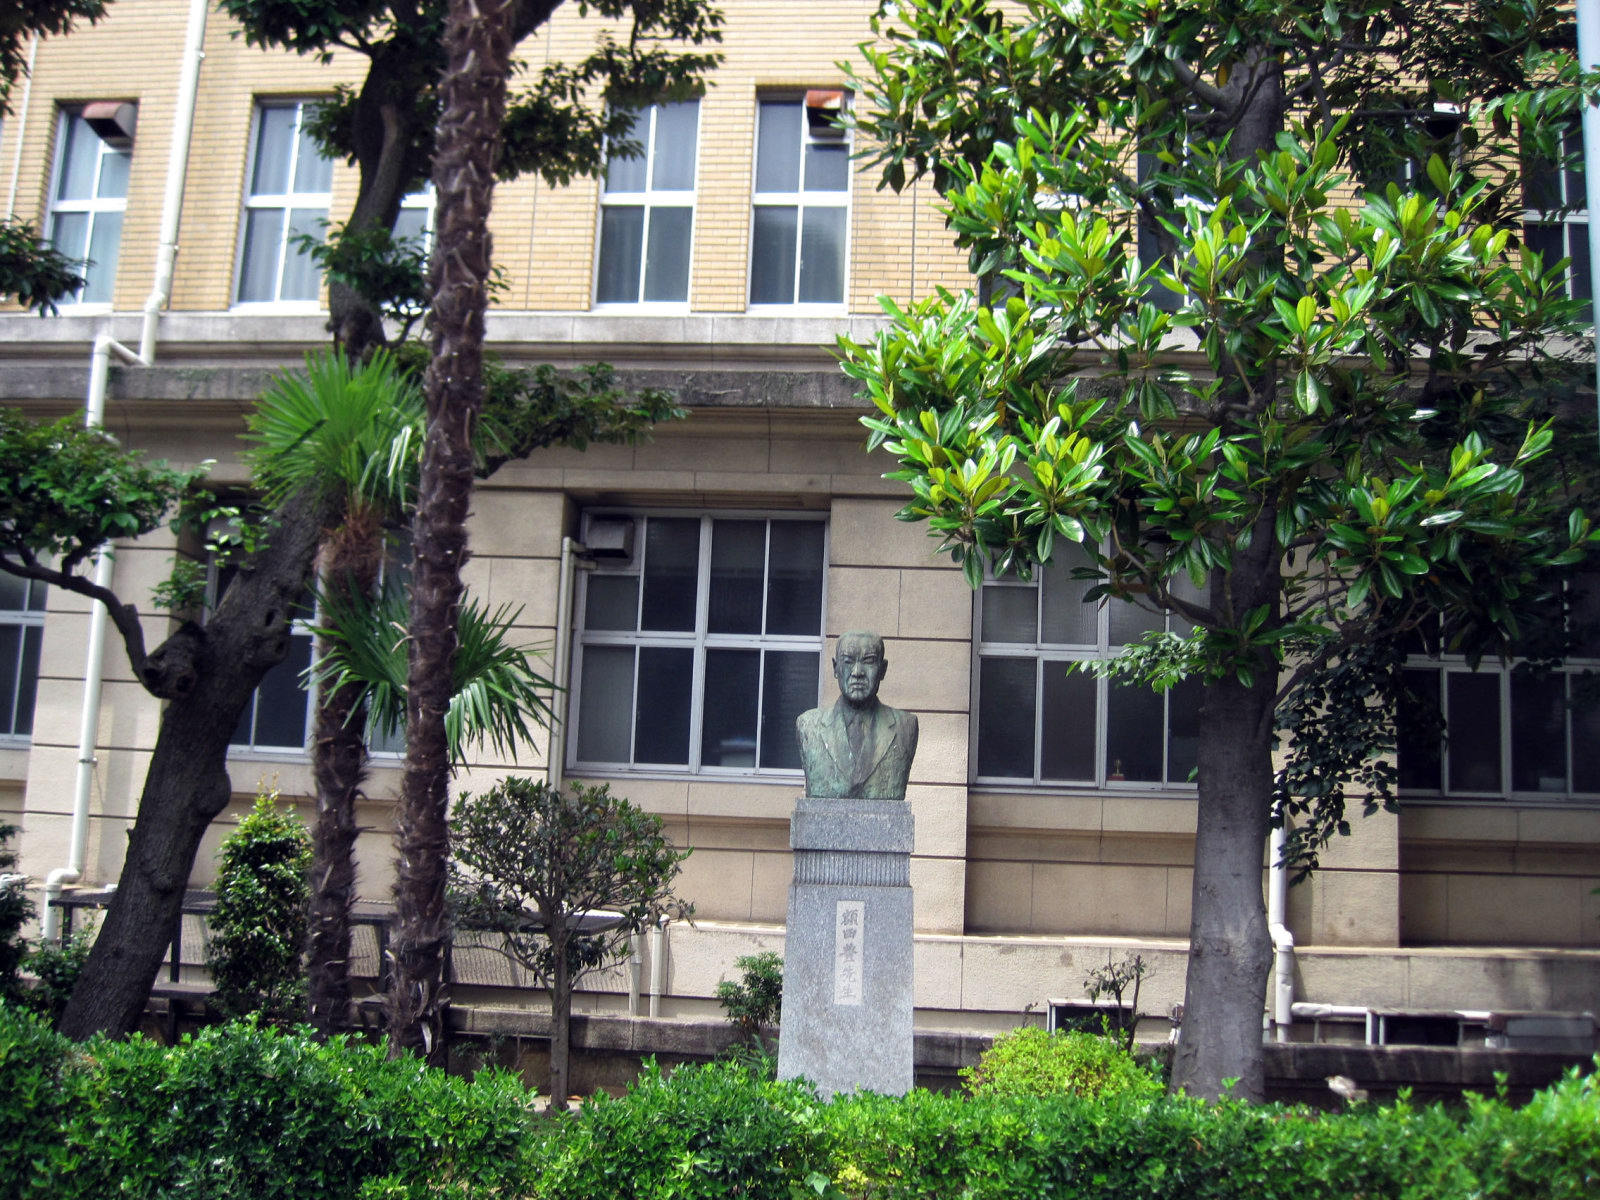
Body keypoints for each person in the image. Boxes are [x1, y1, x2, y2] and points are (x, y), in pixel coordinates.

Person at [796, 631, 918, 800]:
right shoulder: (808, 726)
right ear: (835, 668)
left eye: (868, 661)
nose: (857, 672)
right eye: (848, 661)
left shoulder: (905, 726)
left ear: (883, 669)